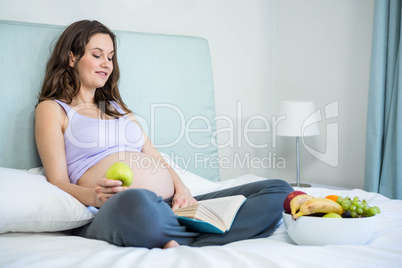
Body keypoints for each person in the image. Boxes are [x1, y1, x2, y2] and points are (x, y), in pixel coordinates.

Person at [35, 20, 293, 249]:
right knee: (136, 199)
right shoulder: (53, 109)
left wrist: (183, 190)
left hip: (169, 206)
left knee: (278, 190)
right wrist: (95, 197)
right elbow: (57, 181)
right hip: (116, 209)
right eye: (97, 55)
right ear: (71, 58)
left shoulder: (118, 108)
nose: (107, 64)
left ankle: (173, 235)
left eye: (111, 57)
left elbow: (154, 156)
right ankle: (195, 231)